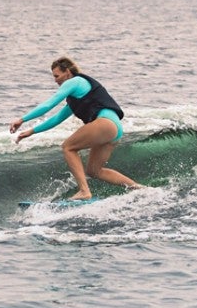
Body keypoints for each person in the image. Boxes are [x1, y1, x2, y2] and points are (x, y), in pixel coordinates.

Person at [9, 56, 142, 200]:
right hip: (114, 129)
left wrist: (22, 119)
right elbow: (57, 118)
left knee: (68, 147)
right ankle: (138, 188)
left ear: (67, 72)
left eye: (57, 76)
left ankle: (84, 191)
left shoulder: (75, 81)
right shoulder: (76, 96)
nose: (55, 80)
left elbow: (49, 104)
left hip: (105, 122)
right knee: (94, 171)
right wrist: (31, 131)